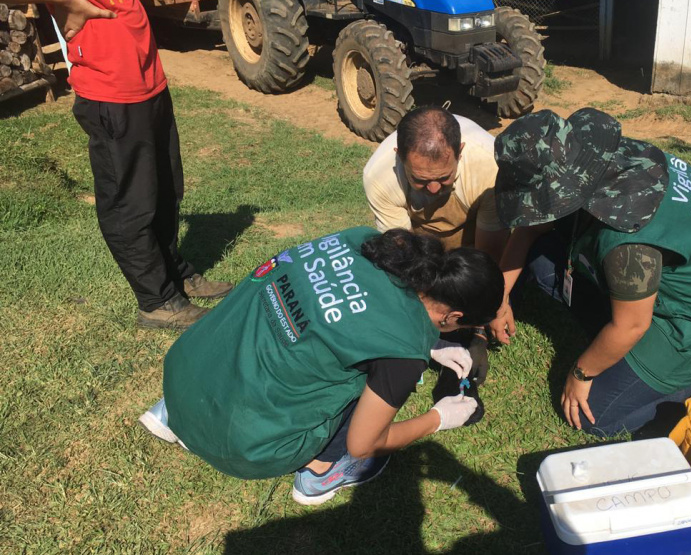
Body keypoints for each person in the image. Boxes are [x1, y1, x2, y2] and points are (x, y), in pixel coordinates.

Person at [138, 227, 503, 505]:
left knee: (280, 311)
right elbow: (365, 443)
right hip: (244, 446)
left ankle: (174, 411)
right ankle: (320, 472)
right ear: (454, 316)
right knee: (364, 382)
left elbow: (350, 307)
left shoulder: (363, 241)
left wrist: (432, 341)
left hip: (184, 373)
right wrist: (439, 417)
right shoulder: (403, 352)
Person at [491, 107, 691, 438]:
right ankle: (615, 348)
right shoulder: (602, 160)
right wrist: (499, 297)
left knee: (594, 417)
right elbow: (530, 228)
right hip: (651, 290)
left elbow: (633, 324)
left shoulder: (627, 240)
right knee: (541, 263)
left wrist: (581, 373)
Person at [31, 0, 232, 329]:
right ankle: (157, 301)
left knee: (166, 191)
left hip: (149, 82)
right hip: (110, 93)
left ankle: (172, 274)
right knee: (130, 204)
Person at [363, 106, 508, 385]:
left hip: (473, 227)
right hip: (420, 240)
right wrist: (427, 334)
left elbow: (487, 258)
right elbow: (404, 261)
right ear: (399, 158)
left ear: (461, 151)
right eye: (420, 180)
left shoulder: (488, 165)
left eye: (444, 178)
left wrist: (480, 327)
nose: (433, 189)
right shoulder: (380, 176)